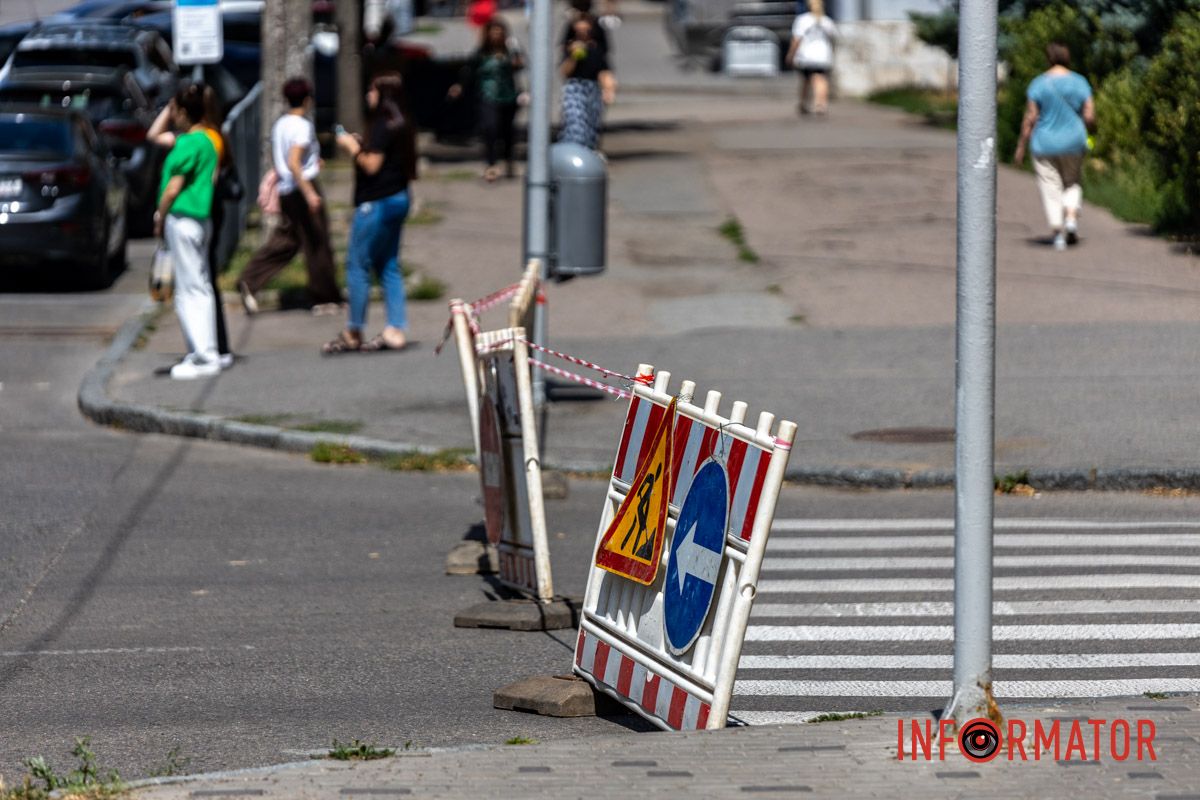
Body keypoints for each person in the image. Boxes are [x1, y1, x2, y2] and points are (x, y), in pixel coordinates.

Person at [323, 73, 418, 354]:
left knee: (357, 264)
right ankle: (396, 328)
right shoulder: (403, 123)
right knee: (389, 264)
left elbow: (372, 165)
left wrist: (352, 149)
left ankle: (354, 329)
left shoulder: (382, 125)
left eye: (373, 90)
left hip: (375, 202)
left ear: (384, 94)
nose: (368, 95)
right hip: (399, 197)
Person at [148, 86, 237, 369]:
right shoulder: (210, 141)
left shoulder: (187, 143)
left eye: (175, 110)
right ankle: (209, 349)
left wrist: (159, 216)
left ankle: (201, 354)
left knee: (188, 291)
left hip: (182, 218)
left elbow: (173, 188)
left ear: (184, 112)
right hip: (202, 218)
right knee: (202, 286)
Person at [237, 77, 342, 314]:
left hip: (286, 188)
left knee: (288, 240)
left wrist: (311, 163)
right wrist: (310, 193)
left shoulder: (280, 124)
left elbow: (286, 158)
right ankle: (325, 296)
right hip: (301, 187)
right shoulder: (302, 126)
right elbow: (295, 162)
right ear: (307, 99)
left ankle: (250, 279)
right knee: (318, 242)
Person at [1013, 42, 1095, 251]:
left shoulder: (1038, 84)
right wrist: (1088, 129)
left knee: (1051, 187)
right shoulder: (1080, 82)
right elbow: (1089, 115)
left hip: (1044, 143)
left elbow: (1030, 117)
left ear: (1049, 58)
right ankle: (1071, 218)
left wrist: (1021, 146)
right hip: (1074, 141)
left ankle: (1058, 234)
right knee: (1072, 182)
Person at [448, 17, 523, 182]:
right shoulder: (481, 53)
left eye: (499, 32)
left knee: (507, 130)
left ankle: (509, 159)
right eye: (493, 32)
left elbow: (520, 66)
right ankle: (491, 163)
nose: (496, 35)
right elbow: (469, 70)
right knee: (490, 127)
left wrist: (516, 58)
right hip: (487, 94)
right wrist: (460, 86)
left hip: (508, 95)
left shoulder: (510, 50)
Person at [559, 14, 615, 150]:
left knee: (591, 125)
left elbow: (604, 71)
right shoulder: (570, 47)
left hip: (593, 88)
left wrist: (609, 90)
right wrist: (573, 56)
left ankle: (588, 153)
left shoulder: (597, 49)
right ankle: (571, 151)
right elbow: (565, 72)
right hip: (575, 88)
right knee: (575, 123)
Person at [785, 0, 838, 116]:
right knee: (821, 79)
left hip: (807, 55)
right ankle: (821, 104)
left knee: (806, 80)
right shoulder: (827, 21)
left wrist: (791, 54)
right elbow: (833, 38)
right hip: (823, 55)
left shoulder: (803, 20)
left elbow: (796, 40)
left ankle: (804, 103)